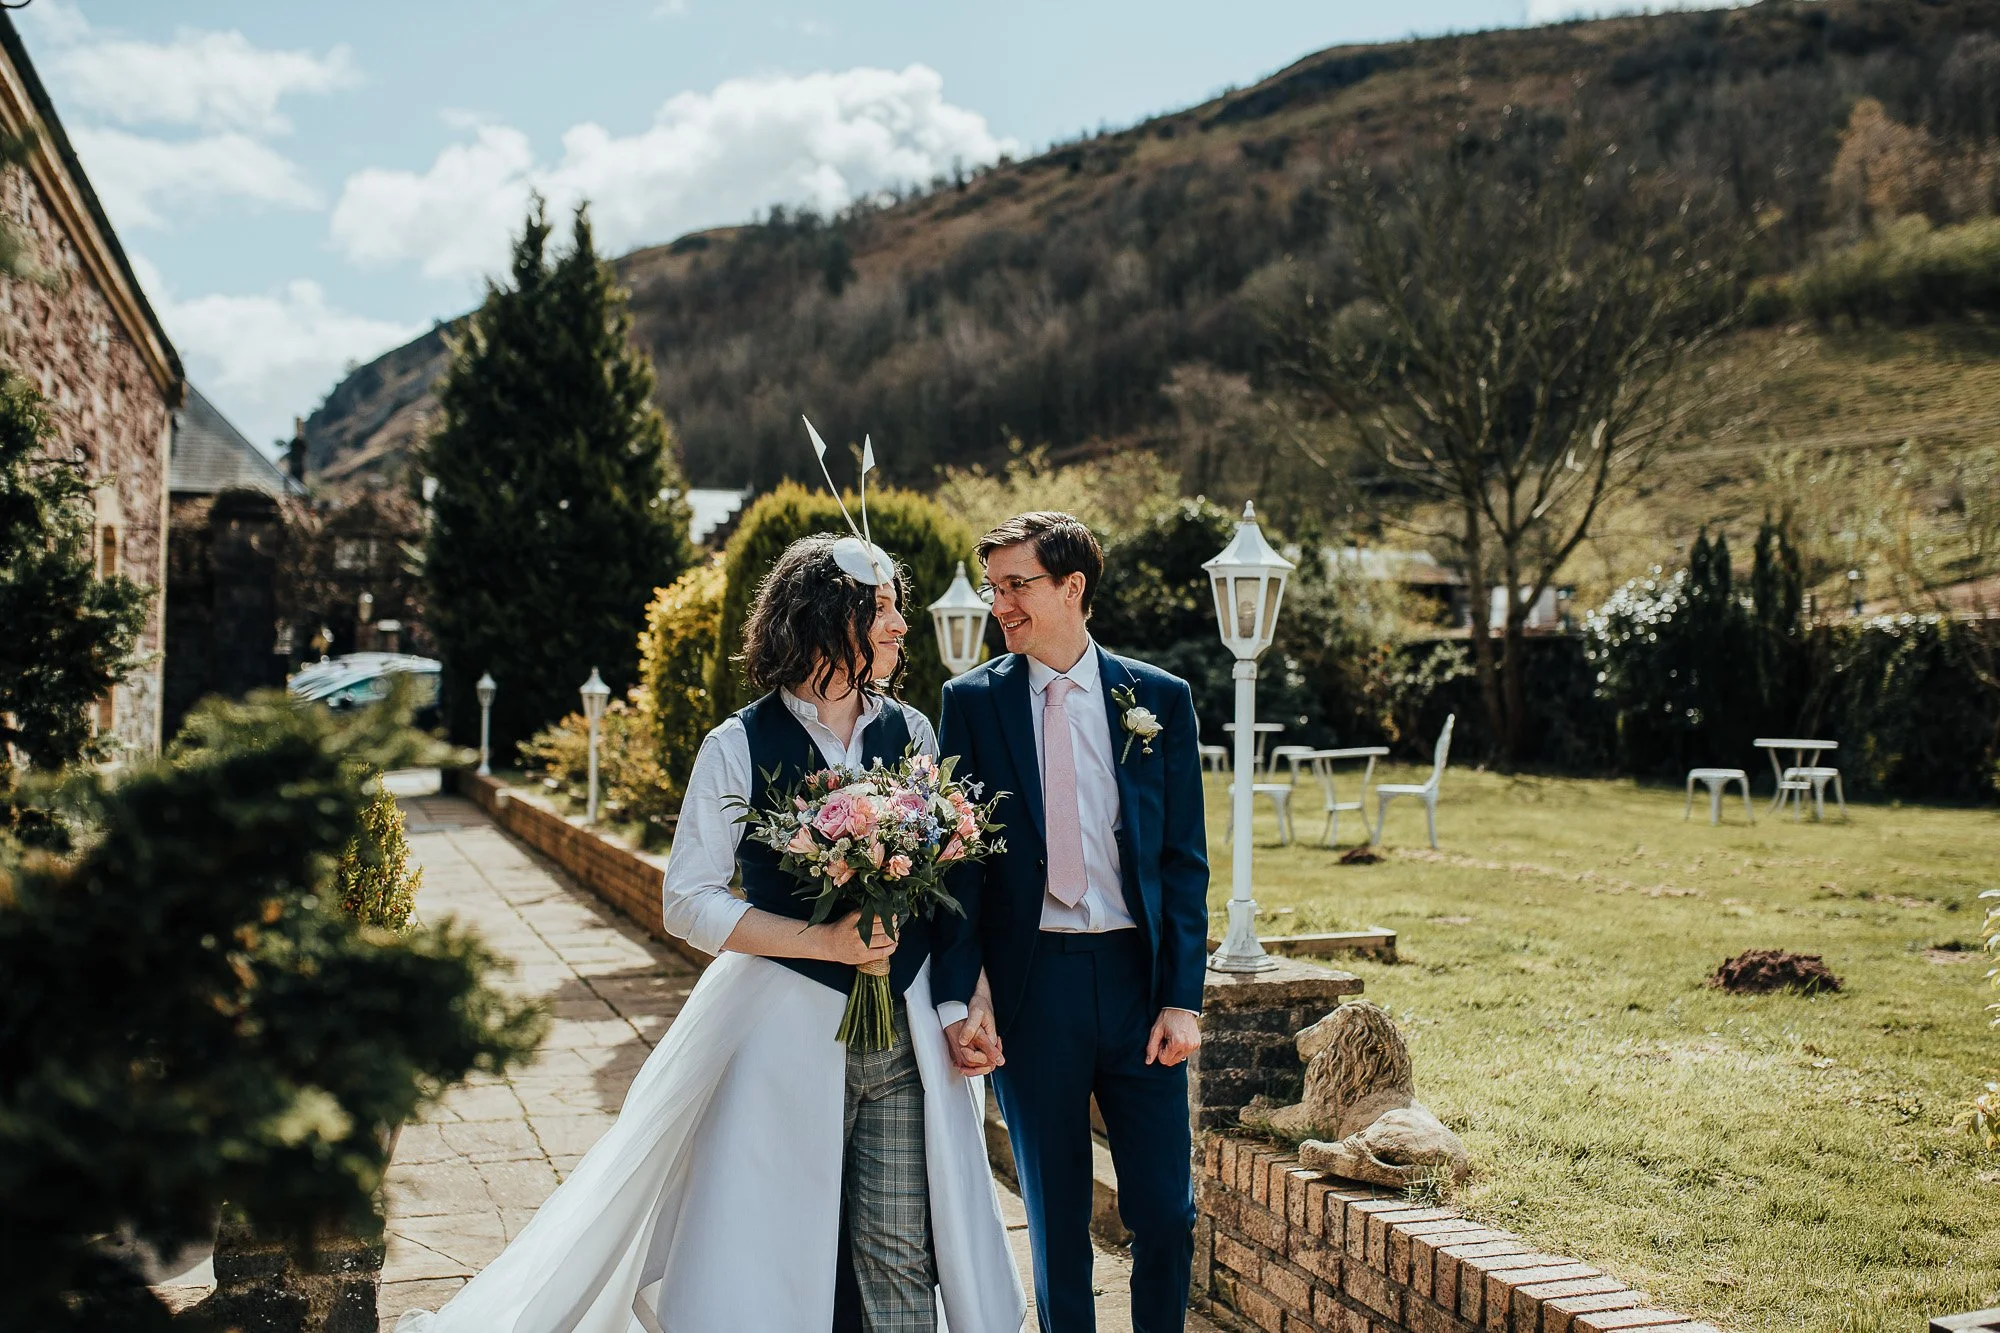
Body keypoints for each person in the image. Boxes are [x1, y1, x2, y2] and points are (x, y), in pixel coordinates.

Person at [396, 534, 1024, 1333]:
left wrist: (970, 998)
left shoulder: (916, 734)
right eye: (887, 611)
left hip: (904, 1041)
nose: (902, 628)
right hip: (781, 1035)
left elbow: (952, 892)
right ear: (834, 619)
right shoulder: (735, 745)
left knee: (900, 1248)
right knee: (774, 1243)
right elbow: (687, 900)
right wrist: (823, 941)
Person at [933, 512, 1209, 1333]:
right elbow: (957, 866)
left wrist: (1181, 997)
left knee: (1166, 1212)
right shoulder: (971, 703)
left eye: (1016, 585)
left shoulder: (1158, 700)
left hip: (1135, 983)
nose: (1000, 604)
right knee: (1057, 1225)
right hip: (1032, 987)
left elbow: (1184, 860)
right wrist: (965, 988)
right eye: (995, 588)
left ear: (1072, 587)